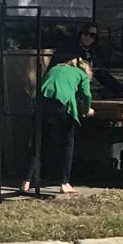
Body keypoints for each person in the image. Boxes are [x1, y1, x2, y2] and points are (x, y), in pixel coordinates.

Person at [27, 52, 93, 195]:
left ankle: (26, 182)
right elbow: (86, 96)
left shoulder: (54, 69)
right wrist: (86, 110)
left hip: (42, 104)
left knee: (38, 142)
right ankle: (65, 183)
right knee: (67, 143)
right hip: (62, 106)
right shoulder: (81, 75)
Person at [51, 22, 123, 97]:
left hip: (79, 86)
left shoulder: (91, 51)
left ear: (96, 38)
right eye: (86, 33)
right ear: (81, 33)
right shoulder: (69, 46)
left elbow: (101, 72)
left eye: (92, 35)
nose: (88, 37)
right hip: (62, 84)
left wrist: (121, 91)